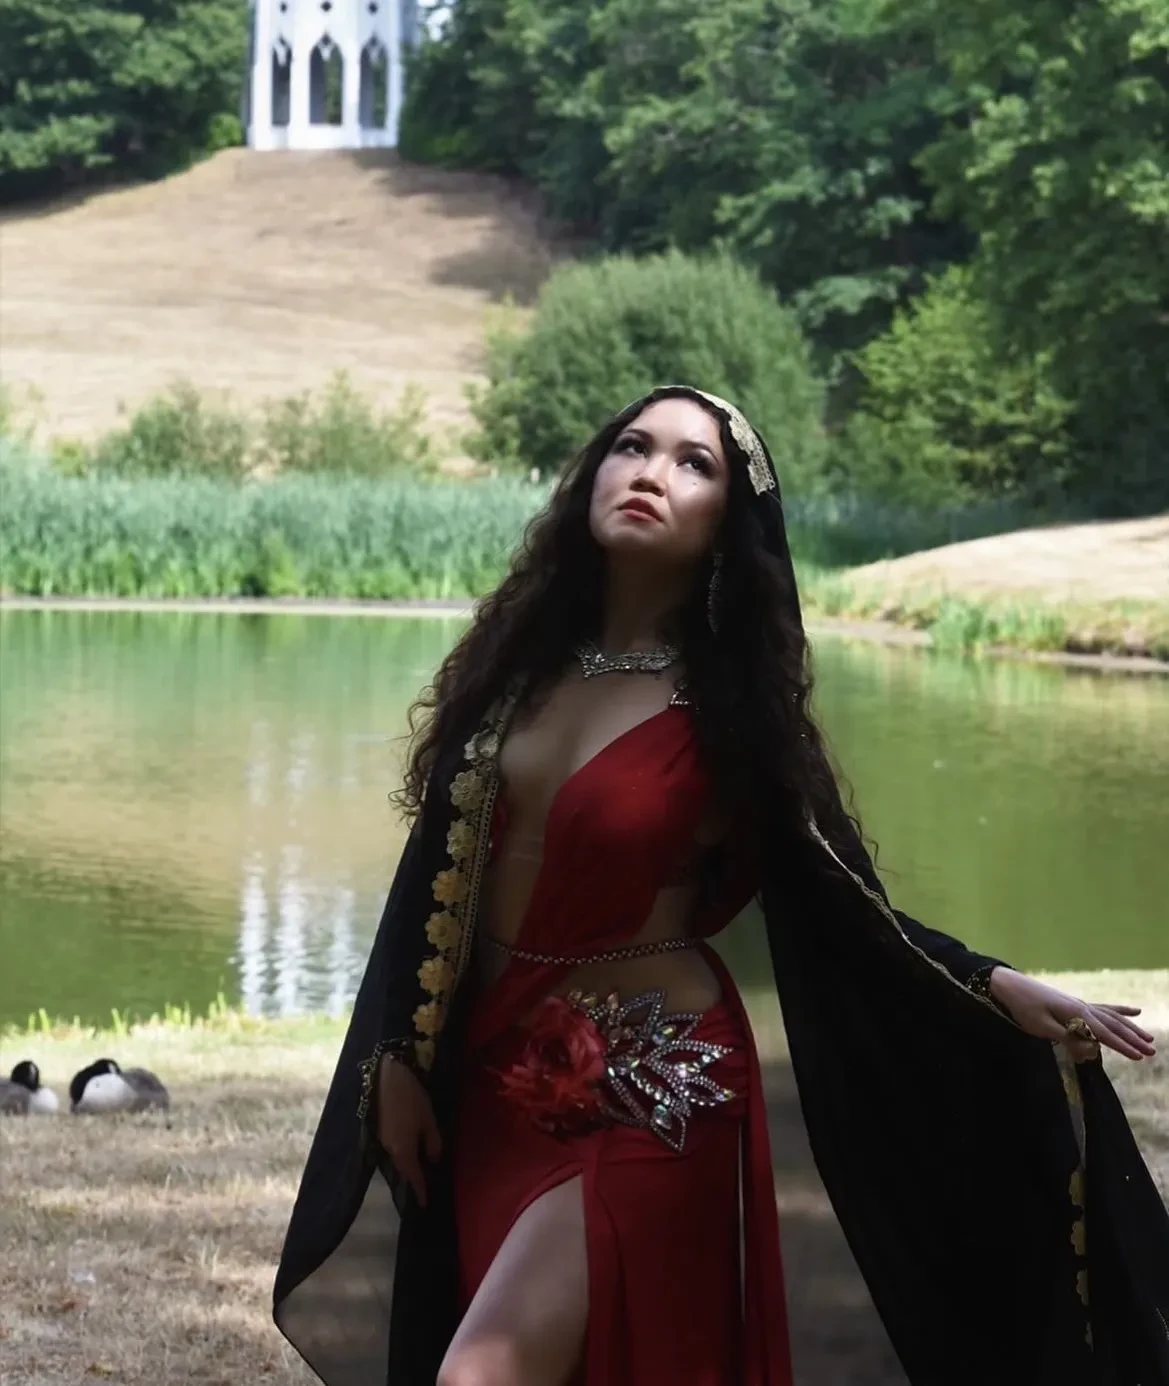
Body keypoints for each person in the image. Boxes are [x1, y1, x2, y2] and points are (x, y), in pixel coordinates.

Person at [273, 386, 1169, 1386]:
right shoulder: (513, 671)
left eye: (693, 463)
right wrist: (396, 1048)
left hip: (655, 1078)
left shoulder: (733, 717)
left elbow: (842, 903)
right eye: (631, 447)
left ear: (727, 525)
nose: (651, 472)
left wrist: (991, 984)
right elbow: (433, 876)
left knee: (479, 1374)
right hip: (493, 1081)